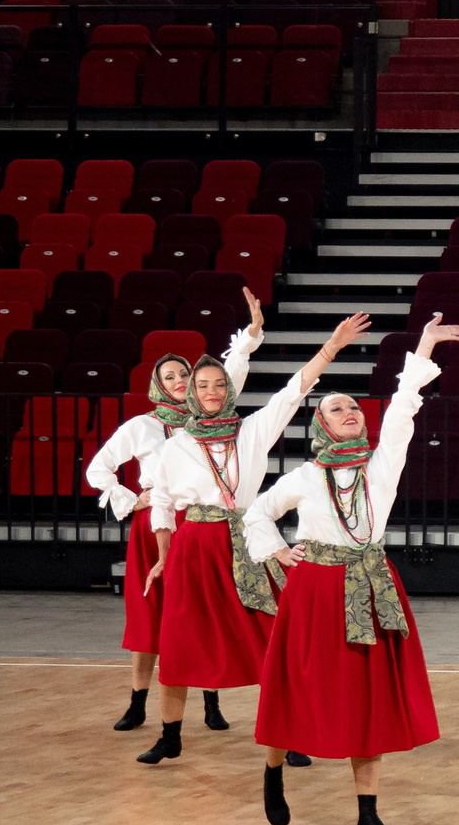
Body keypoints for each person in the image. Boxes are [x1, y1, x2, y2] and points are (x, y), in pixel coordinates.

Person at [242, 314, 457, 825]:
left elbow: (404, 410)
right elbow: (255, 514)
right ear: (322, 426)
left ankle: (367, 811)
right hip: (315, 590)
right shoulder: (306, 476)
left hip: (372, 584)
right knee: (295, 688)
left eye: (355, 406)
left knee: (369, 700)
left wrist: (424, 346)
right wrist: (277, 554)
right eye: (337, 408)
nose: (350, 413)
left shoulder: (381, 465)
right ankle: (273, 772)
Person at [135, 300, 373, 766]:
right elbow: (162, 503)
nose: (209, 390)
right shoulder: (177, 445)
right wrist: (163, 555)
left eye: (218, 383)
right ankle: (170, 736)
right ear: (189, 393)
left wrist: (331, 347)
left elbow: (292, 391)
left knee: (273, 641)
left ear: (229, 390)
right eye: (201, 384)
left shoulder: (251, 431)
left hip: (245, 544)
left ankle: (292, 735)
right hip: (194, 548)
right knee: (179, 644)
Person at [84, 350, 195, 732]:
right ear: (157, 386)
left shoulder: (209, 423)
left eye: (184, 373)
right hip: (153, 525)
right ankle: (137, 703)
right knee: (149, 615)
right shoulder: (141, 426)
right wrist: (132, 500)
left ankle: (212, 702)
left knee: (201, 613)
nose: (179, 380)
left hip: (199, 522)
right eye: (170, 376)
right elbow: (98, 468)